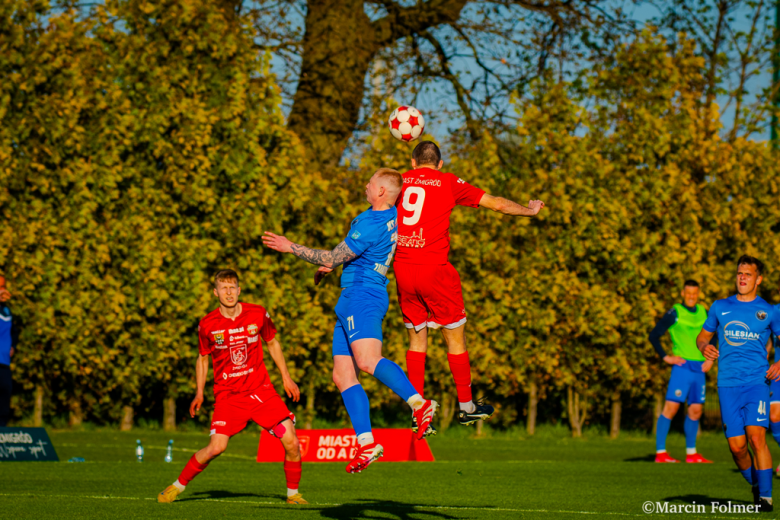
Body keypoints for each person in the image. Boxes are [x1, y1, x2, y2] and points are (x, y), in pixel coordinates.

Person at [262, 168, 438, 474]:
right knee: (343, 376)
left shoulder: (370, 222)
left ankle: (419, 404)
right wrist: (334, 265)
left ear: (382, 191)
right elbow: (349, 256)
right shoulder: (389, 215)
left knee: (368, 361)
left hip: (363, 296)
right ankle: (367, 443)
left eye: (370, 183)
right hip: (352, 296)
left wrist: (290, 246)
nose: (365, 185)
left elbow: (332, 256)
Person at [394, 141, 545, 434]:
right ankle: (466, 407)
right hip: (434, 270)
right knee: (455, 339)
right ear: (439, 164)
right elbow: (498, 204)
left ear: (413, 162)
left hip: (403, 268)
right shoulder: (448, 181)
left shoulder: (399, 182)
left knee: (416, 342)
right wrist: (529, 210)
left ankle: (417, 410)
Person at [158, 269, 306, 505]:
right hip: (229, 397)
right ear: (216, 292)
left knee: (292, 442)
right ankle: (176, 486)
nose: (229, 292)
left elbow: (272, 342)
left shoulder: (257, 313)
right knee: (216, 448)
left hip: (261, 392)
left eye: (232, 287)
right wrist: (199, 392)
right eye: (223, 288)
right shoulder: (207, 324)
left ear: (239, 290)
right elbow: (203, 358)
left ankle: (293, 495)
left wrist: (286, 377)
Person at [697, 255, 780, 513]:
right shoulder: (720, 307)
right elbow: (702, 337)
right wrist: (705, 347)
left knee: (756, 439)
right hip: (727, 385)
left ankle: (765, 498)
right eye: (739, 274)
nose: (742, 278)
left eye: (748, 274)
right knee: (737, 447)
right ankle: (757, 484)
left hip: (757, 382)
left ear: (758, 279)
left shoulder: (770, 311)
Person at [648, 279, 713, 463]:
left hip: (699, 369)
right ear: (683, 293)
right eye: (688, 293)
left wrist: (710, 358)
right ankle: (661, 453)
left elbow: (714, 336)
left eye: (695, 293)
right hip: (682, 368)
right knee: (672, 407)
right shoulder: (675, 313)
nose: (691, 296)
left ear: (698, 294)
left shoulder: (704, 312)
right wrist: (665, 357)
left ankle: (691, 454)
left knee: (696, 411)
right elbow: (654, 335)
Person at [0, 276, 16, 427]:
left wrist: (13, 346)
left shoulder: (7, 310)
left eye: (3, 286)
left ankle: (2, 433)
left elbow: (14, 331)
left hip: (4, 362)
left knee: (5, 393)